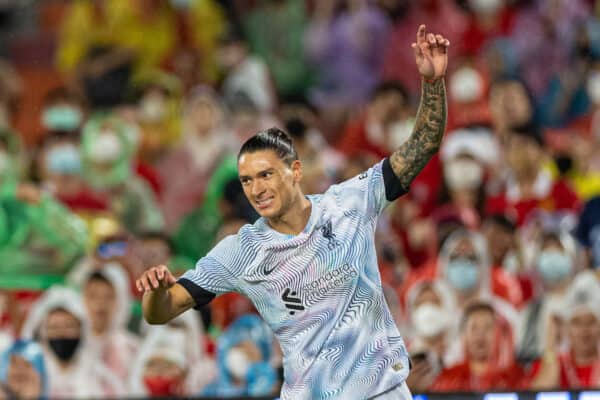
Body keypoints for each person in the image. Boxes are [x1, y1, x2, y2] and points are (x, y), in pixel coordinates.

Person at [136, 24, 449, 400]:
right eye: (247, 180)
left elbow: (423, 145)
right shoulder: (242, 251)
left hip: (382, 392)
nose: (256, 189)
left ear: (296, 171)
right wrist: (156, 292)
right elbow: (162, 310)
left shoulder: (350, 202)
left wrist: (432, 83)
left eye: (266, 174)